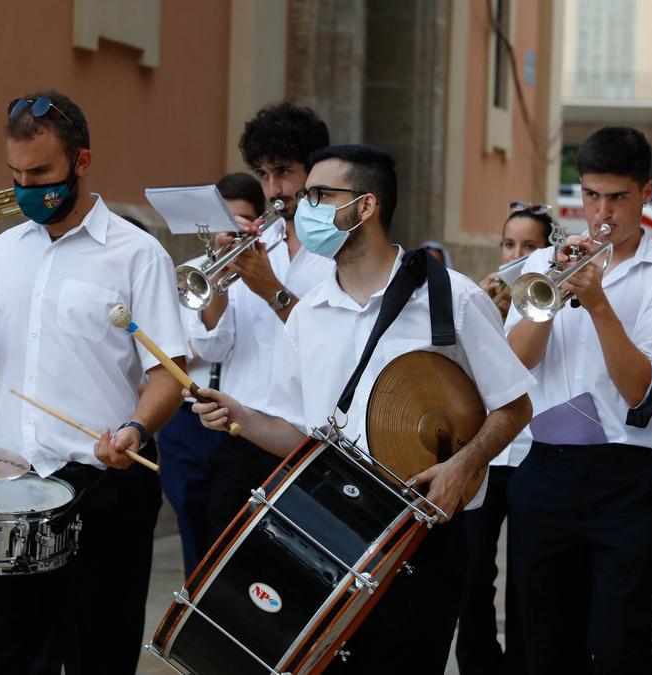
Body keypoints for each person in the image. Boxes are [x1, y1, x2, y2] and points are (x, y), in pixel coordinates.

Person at [193, 144, 534, 673]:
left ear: (366, 206)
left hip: (421, 533)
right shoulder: (308, 316)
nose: (303, 208)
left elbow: (514, 405)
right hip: (331, 527)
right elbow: (297, 432)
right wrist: (236, 413)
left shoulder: (453, 299)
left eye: (319, 196)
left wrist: (462, 465)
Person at [0, 90, 185, 674]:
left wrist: (135, 429)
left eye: (40, 172)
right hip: (7, 482)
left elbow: (168, 373)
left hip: (102, 485)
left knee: (96, 655)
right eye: (15, 174)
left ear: (81, 162)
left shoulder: (137, 254)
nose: (25, 187)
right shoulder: (1, 254)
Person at [505, 127, 652, 674]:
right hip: (545, 471)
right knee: (546, 644)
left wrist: (596, 303)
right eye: (591, 196)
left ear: (644, 193)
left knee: (619, 643)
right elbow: (514, 365)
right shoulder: (544, 265)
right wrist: (557, 289)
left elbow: (640, 388)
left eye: (616, 197)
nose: (601, 213)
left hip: (627, 475)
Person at [186, 102, 334, 545]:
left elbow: (332, 347)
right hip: (241, 437)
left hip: (308, 446)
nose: (274, 187)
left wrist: (270, 288)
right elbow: (213, 349)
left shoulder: (340, 249)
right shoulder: (257, 243)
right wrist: (220, 281)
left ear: (316, 170)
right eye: (264, 174)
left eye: (284, 172)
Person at [456, 200, 554, 675]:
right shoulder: (481, 297)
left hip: (535, 448)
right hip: (489, 452)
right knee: (473, 572)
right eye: (509, 243)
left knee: (529, 578)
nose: (515, 253)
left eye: (529, 245)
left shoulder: (553, 293)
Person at [155, 172, 265, 574]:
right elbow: (195, 347)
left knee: (236, 542)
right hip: (188, 420)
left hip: (244, 423)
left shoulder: (266, 277)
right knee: (193, 529)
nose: (228, 234)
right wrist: (217, 280)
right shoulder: (189, 273)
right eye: (224, 222)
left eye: (240, 223)